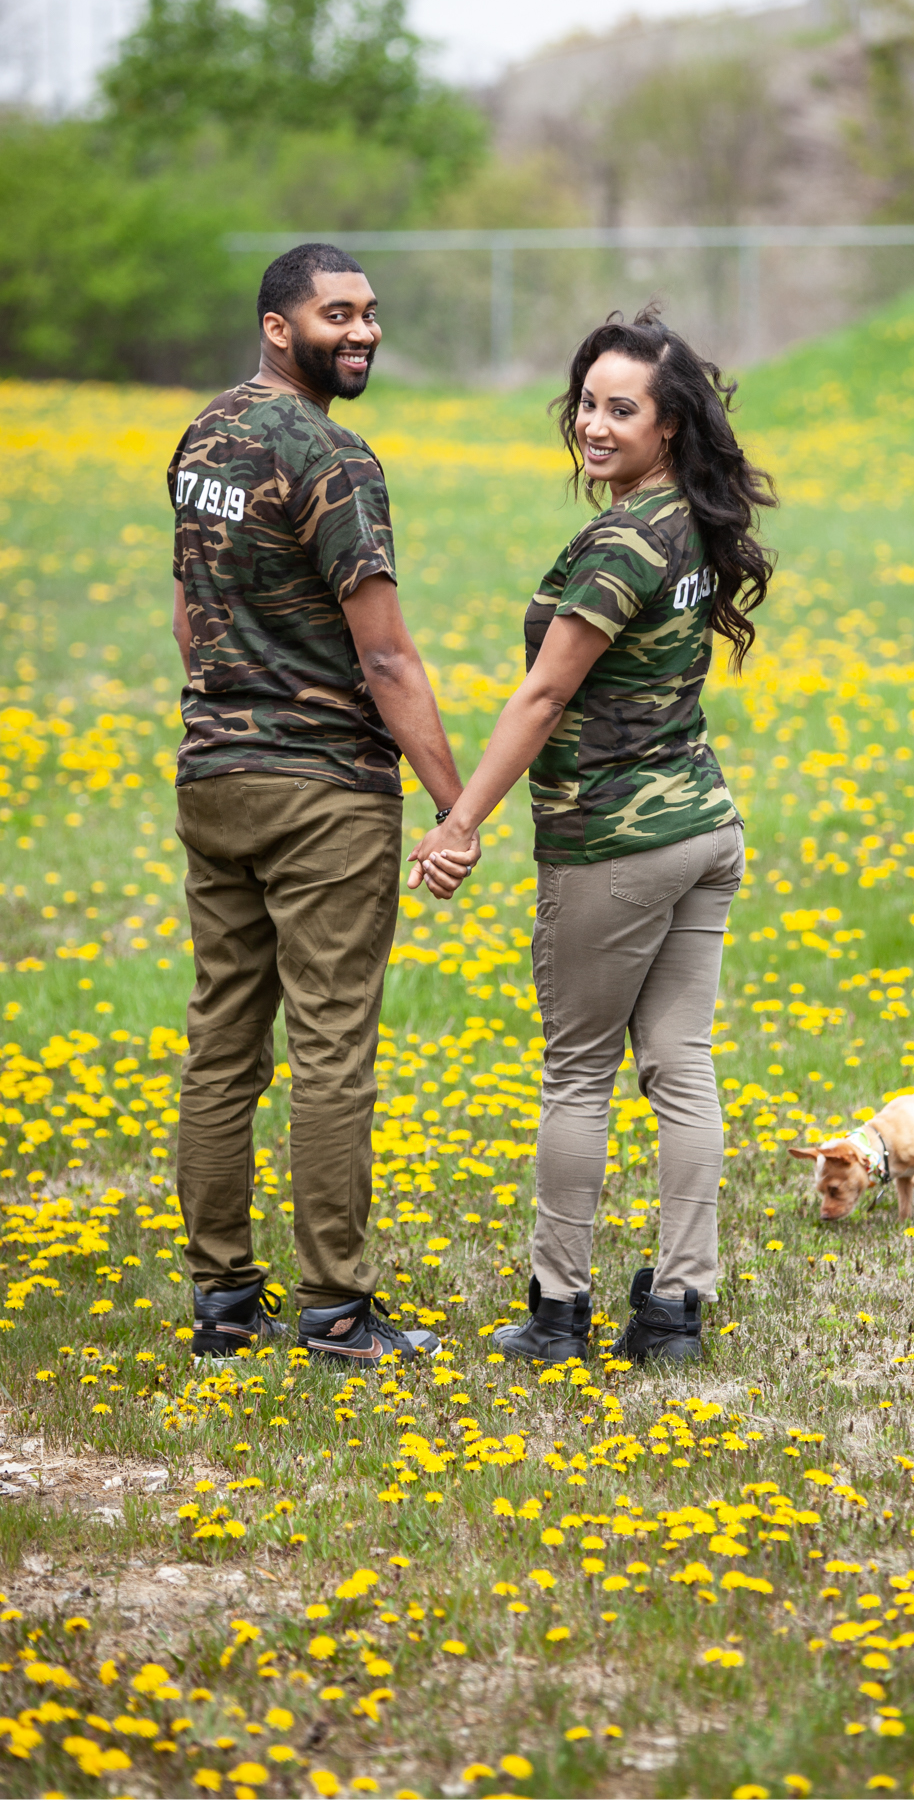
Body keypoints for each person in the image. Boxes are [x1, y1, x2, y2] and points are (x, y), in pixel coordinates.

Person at [412, 309, 775, 1372]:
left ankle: (556, 1312)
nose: (593, 424)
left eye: (622, 409)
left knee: (576, 1072)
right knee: (680, 1067)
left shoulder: (620, 541)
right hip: (700, 826)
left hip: (614, 844)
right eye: (585, 403)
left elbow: (540, 695)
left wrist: (458, 822)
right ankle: (673, 1310)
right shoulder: (691, 523)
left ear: (668, 427)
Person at [167, 242, 470, 1369]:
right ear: (274, 325)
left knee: (221, 1041)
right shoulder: (331, 458)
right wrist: (456, 806)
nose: (362, 332)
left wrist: (208, 717)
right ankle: (336, 1308)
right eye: (336, 313)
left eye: (370, 313)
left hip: (214, 777)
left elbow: (188, 603)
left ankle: (219, 1299)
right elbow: (384, 659)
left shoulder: (201, 436)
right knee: (331, 1044)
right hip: (320, 788)